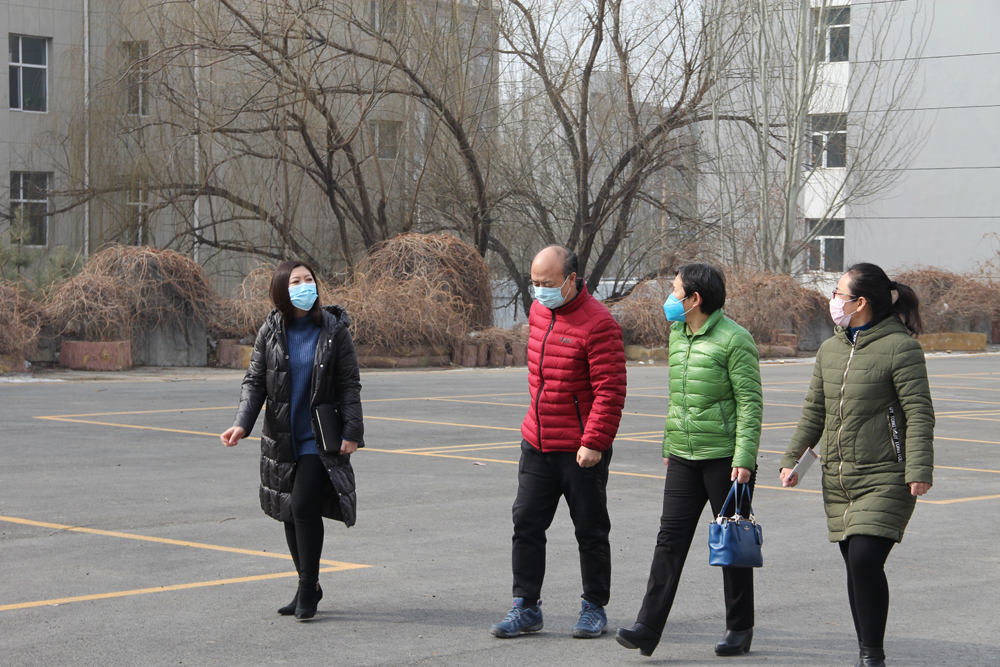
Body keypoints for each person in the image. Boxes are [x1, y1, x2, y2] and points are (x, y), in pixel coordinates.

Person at [779, 263, 934, 667]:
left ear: (860, 302)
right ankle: (867, 648)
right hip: (840, 478)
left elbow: (918, 413)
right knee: (855, 564)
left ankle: (872, 656)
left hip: (886, 475)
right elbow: (815, 411)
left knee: (865, 560)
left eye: (838, 293)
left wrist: (919, 468)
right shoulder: (830, 350)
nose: (833, 300)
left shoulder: (901, 348)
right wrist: (792, 459)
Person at [617, 263, 763, 658]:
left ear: (695, 299)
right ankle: (647, 628)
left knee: (731, 542)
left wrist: (744, 457)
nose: (670, 298)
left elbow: (750, 403)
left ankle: (739, 628)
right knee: (669, 540)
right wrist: (670, 445)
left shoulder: (735, 339)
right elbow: (678, 399)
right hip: (684, 456)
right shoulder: (678, 334)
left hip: (725, 460)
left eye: (675, 291)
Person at [490, 245, 627, 640]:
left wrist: (595, 441)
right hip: (537, 440)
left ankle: (594, 606)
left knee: (590, 529)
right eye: (534, 283)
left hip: (581, 448)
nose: (539, 291)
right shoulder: (539, 311)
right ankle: (525, 606)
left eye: (546, 283)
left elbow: (610, 390)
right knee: (526, 523)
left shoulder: (599, 324)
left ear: (571, 280)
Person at [220, 260, 364, 621]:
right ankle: (308, 586)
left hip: (319, 436)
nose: (304, 286)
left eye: (308, 279)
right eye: (295, 281)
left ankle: (307, 587)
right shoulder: (270, 331)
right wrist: (241, 424)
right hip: (282, 435)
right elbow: (255, 381)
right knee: (288, 511)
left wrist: (352, 432)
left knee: (302, 505)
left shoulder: (334, 330)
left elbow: (349, 384)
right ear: (282, 290)